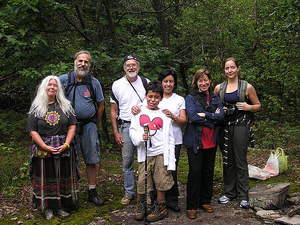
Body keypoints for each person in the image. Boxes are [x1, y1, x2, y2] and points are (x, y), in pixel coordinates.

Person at [27, 75, 78, 220]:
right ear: (44, 87)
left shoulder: (66, 105)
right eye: (49, 85)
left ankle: (61, 206)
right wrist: (44, 146)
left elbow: (72, 125)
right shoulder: (36, 107)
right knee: (46, 177)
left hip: (64, 148)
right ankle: (47, 208)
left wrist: (67, 144)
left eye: (55, 85)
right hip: (43, 149)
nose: (52, 87)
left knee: (62, 177)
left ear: (59, 88)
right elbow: (32, 130)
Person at [214, 57, 261, 209]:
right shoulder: (219, 88)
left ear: (238, 68)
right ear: (224, 71)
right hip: (224, 126)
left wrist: (248, 107)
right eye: (227, 68)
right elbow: (215, 107)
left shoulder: (247, 87)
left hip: (241, 125)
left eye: (232, 67)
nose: (230, 70)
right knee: (227, 159)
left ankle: (243, 195)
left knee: (240, 159)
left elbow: (258, 105)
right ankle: (229, 193)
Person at [59, 50, 105, 206]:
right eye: (80, 61)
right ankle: (71, 192)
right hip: (67, 128)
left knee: (92, 159)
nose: (83, 64)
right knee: (69, 159)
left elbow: (100, 104)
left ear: (89, 65)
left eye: (86, 62)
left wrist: (95, 122)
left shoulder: (94, 82)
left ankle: (92, 191)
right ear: (74, 61)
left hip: (88, 125)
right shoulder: (63, 80)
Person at [129, 80, 176, 222]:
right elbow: (132, 131)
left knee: (161, 179)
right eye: (150, 96)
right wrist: (140, 138)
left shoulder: (164, 115)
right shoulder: (139, 112)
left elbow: (170, 137)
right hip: (146, 152)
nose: (153, 100)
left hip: (161, 152)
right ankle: (142, 205)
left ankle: (161, 207)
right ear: (145, 96)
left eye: (156, 97)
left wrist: (171, 157)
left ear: (161, 98)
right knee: (143, 180)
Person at [183, 69, 224, 219]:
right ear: (196, 82)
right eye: (200, 80)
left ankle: (205, 200)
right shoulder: (190, 98)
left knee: (208, 171)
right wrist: (213, 116)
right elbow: (193, 117)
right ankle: (192, 205)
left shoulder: (214, 97)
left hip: (211, 141)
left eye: (206, 80)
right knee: (195, 172)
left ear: (210, 81)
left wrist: (206, 114)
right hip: (195, 141)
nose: (203, 83)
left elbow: (221, 116)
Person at [110, 54, 149, 205]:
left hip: (143, 125)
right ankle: (129, 192)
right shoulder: (117, 85)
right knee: (127, 161)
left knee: (145, 159)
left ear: (138, 67)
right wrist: (116, 131)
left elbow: (154, 102)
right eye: (128, 65)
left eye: (134, 65)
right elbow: (113, 110)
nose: (131, 68)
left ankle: (145, 190)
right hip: (125, 125)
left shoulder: (146, 82)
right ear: (124, 67)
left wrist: (140, 107)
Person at [157, 69, 187, 212]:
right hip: (157, 141)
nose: (168, 84)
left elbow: (183, 120)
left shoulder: (179, 99)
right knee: (158, 169)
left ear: (174, 83)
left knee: (171, 169)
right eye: (165, 81)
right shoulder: (155, 97)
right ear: (161, 82)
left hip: (175, 140)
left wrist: (172, 116)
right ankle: (158, 199)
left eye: (171, 81)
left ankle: (172, 200)